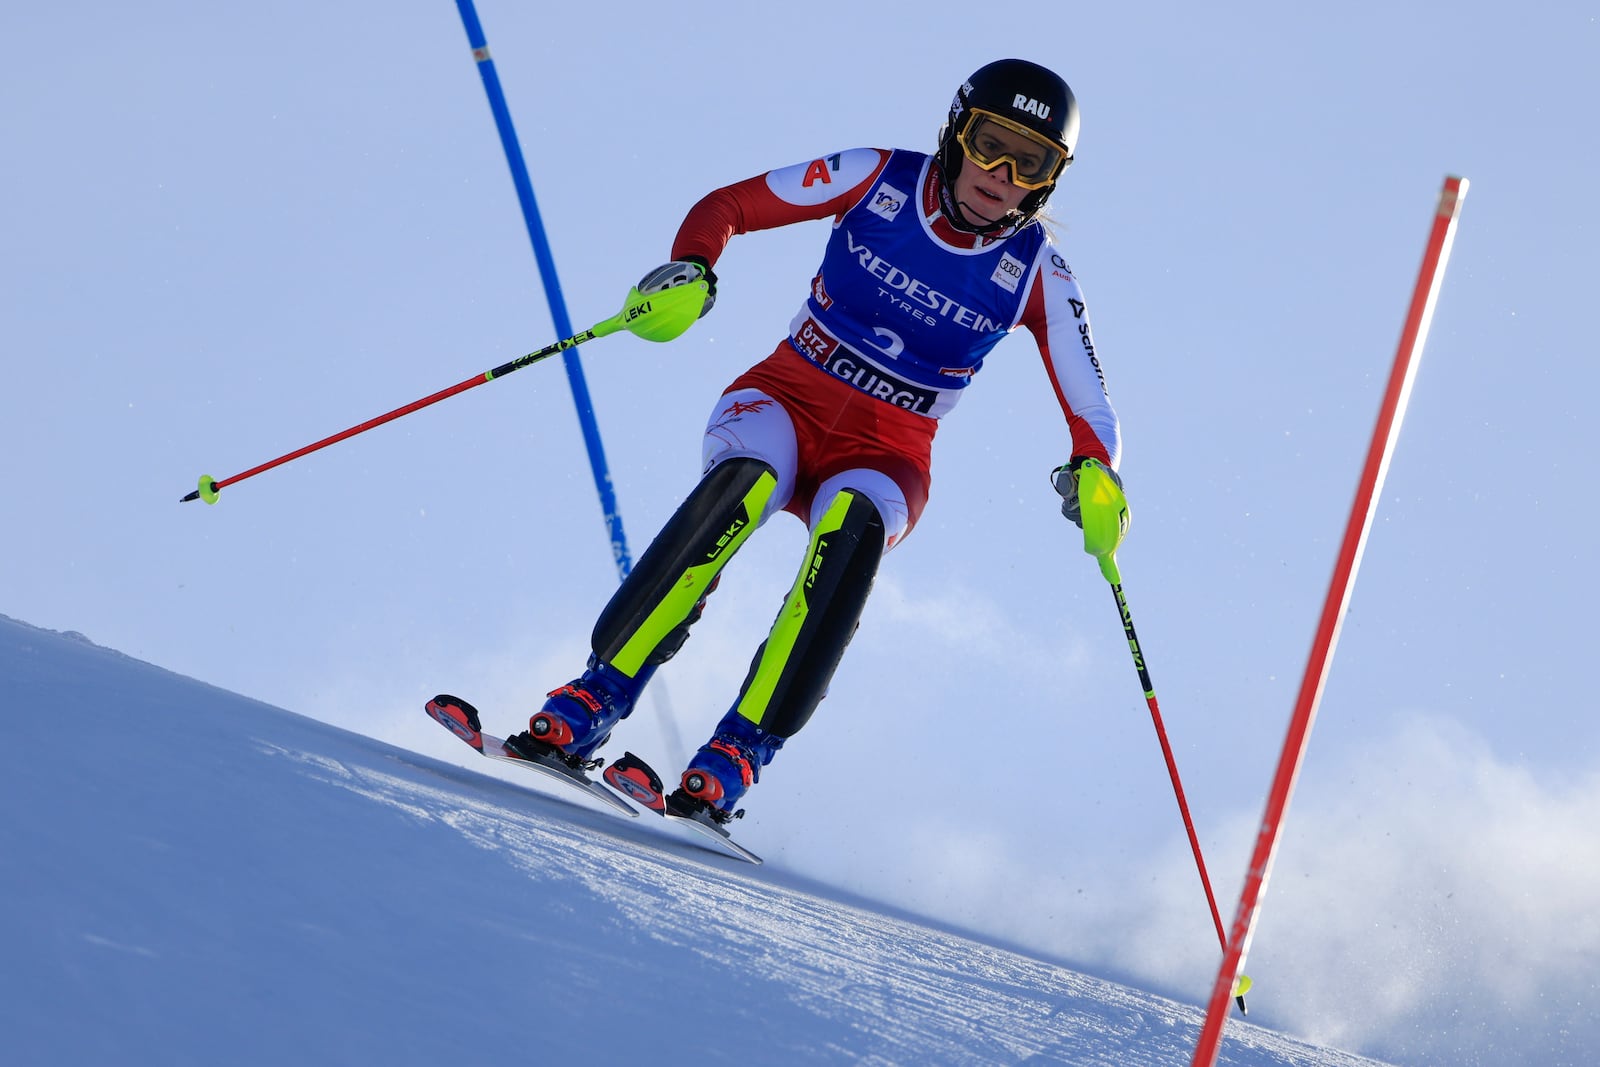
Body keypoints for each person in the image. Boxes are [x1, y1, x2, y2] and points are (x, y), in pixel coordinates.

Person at [504, 58, 1128, 827]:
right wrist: (692, 268)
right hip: (784, 396)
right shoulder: (876, 177)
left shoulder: (1039, 269)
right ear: (956, 131)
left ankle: (736, 754)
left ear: (1049, 180)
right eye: (989, 142)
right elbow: (728, 204)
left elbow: (1090, 397)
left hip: (890, 448)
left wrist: (1097, 473)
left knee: (851, 528)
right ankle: (596, 696)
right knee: (747, 483)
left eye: (1028, 161)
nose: (1000, 172)